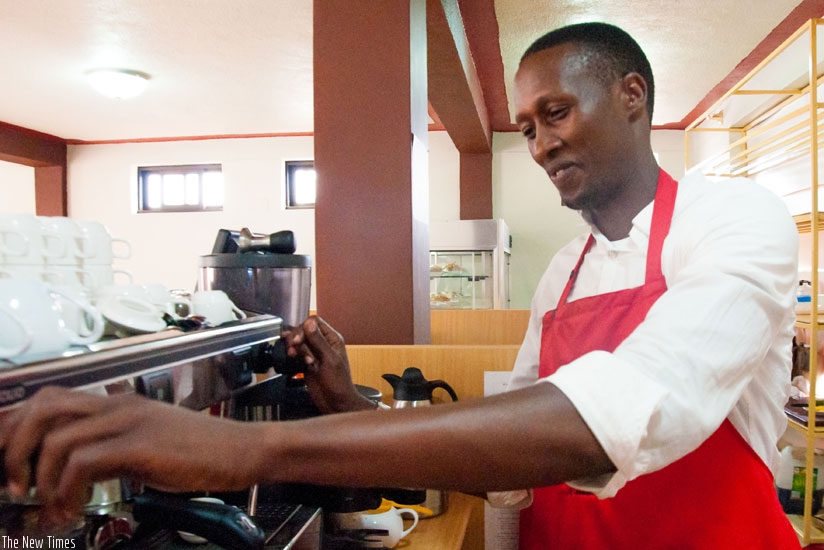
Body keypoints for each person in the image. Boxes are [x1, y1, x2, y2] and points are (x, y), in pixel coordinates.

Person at [0, 22, 802, 548]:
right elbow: (511, 452)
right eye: (525, 127)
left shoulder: (734, 219)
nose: (540, 142)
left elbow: (616, 415)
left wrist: (236, 445)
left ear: (632, 95)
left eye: (556, 112)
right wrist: (351, 407)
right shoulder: (568, 270)